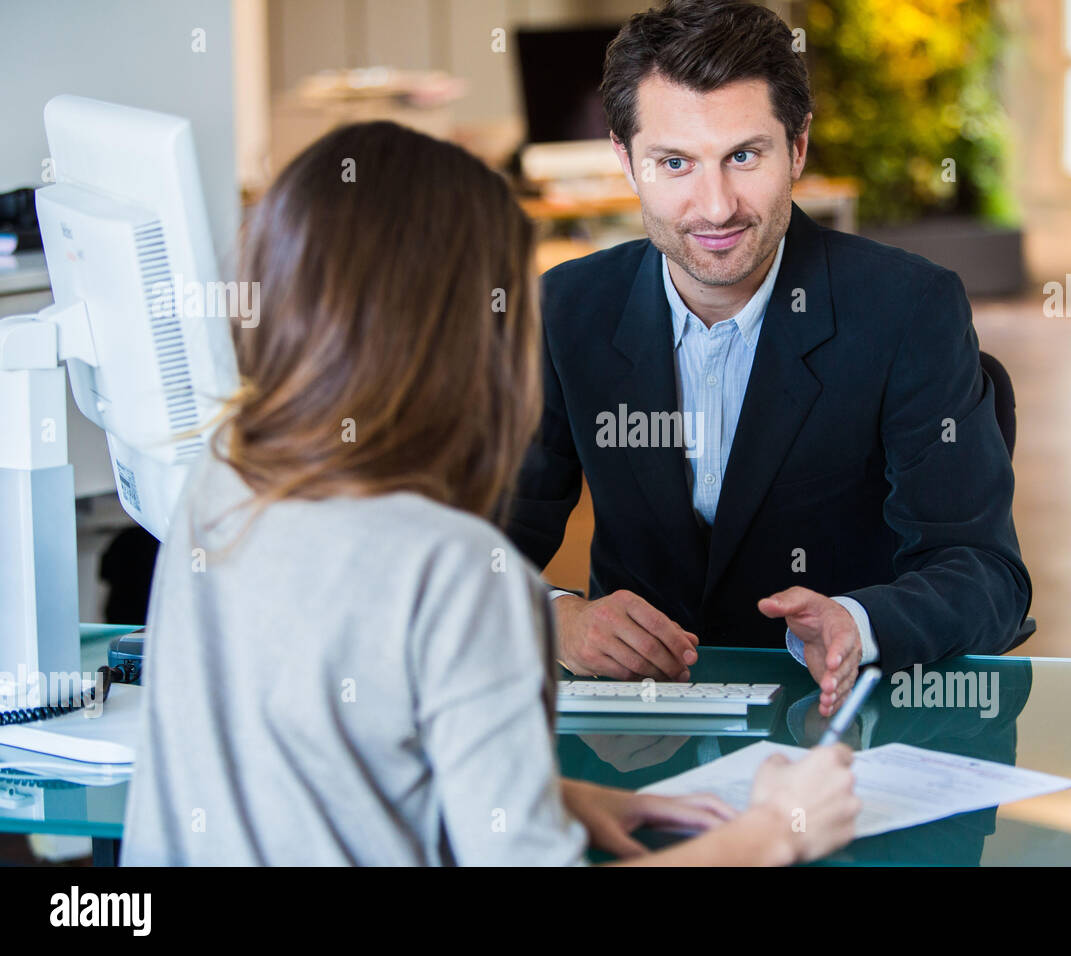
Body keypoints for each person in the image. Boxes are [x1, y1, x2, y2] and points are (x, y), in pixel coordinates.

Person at [120, 120, 858, 866]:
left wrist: (547, 801)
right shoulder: (452, 566)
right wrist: (775, 830)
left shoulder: (225, 476)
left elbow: (326, 763)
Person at [506, 0, 1032, 719]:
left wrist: (860, 625)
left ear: (798, 148)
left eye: (744, 157)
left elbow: (986, 573)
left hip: (841, 723)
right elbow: (478, 548)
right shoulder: (565, 308)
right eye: (675, 163)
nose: (716, 206)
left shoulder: (911, 308)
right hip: (642, 730)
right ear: (626, 162)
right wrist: (555, 618)